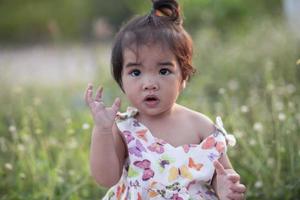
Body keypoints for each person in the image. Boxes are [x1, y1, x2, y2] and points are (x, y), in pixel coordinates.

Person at [85, 0, 246, 199]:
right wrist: (102, 130)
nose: (149, 83)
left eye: (163, 71)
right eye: (136, 72)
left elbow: (221, 171)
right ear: (121, 80)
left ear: (184, 77)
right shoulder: (125, 128)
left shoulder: (201, 126)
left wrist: (224, 185)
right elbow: (105, 178)